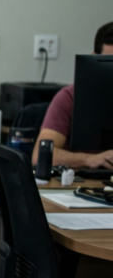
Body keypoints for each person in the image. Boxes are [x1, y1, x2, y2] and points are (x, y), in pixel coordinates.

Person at [31, 21, 113, 169]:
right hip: (80, 183)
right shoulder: (69, 97)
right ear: (95, 59)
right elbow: (40, 156)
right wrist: (89, 160)